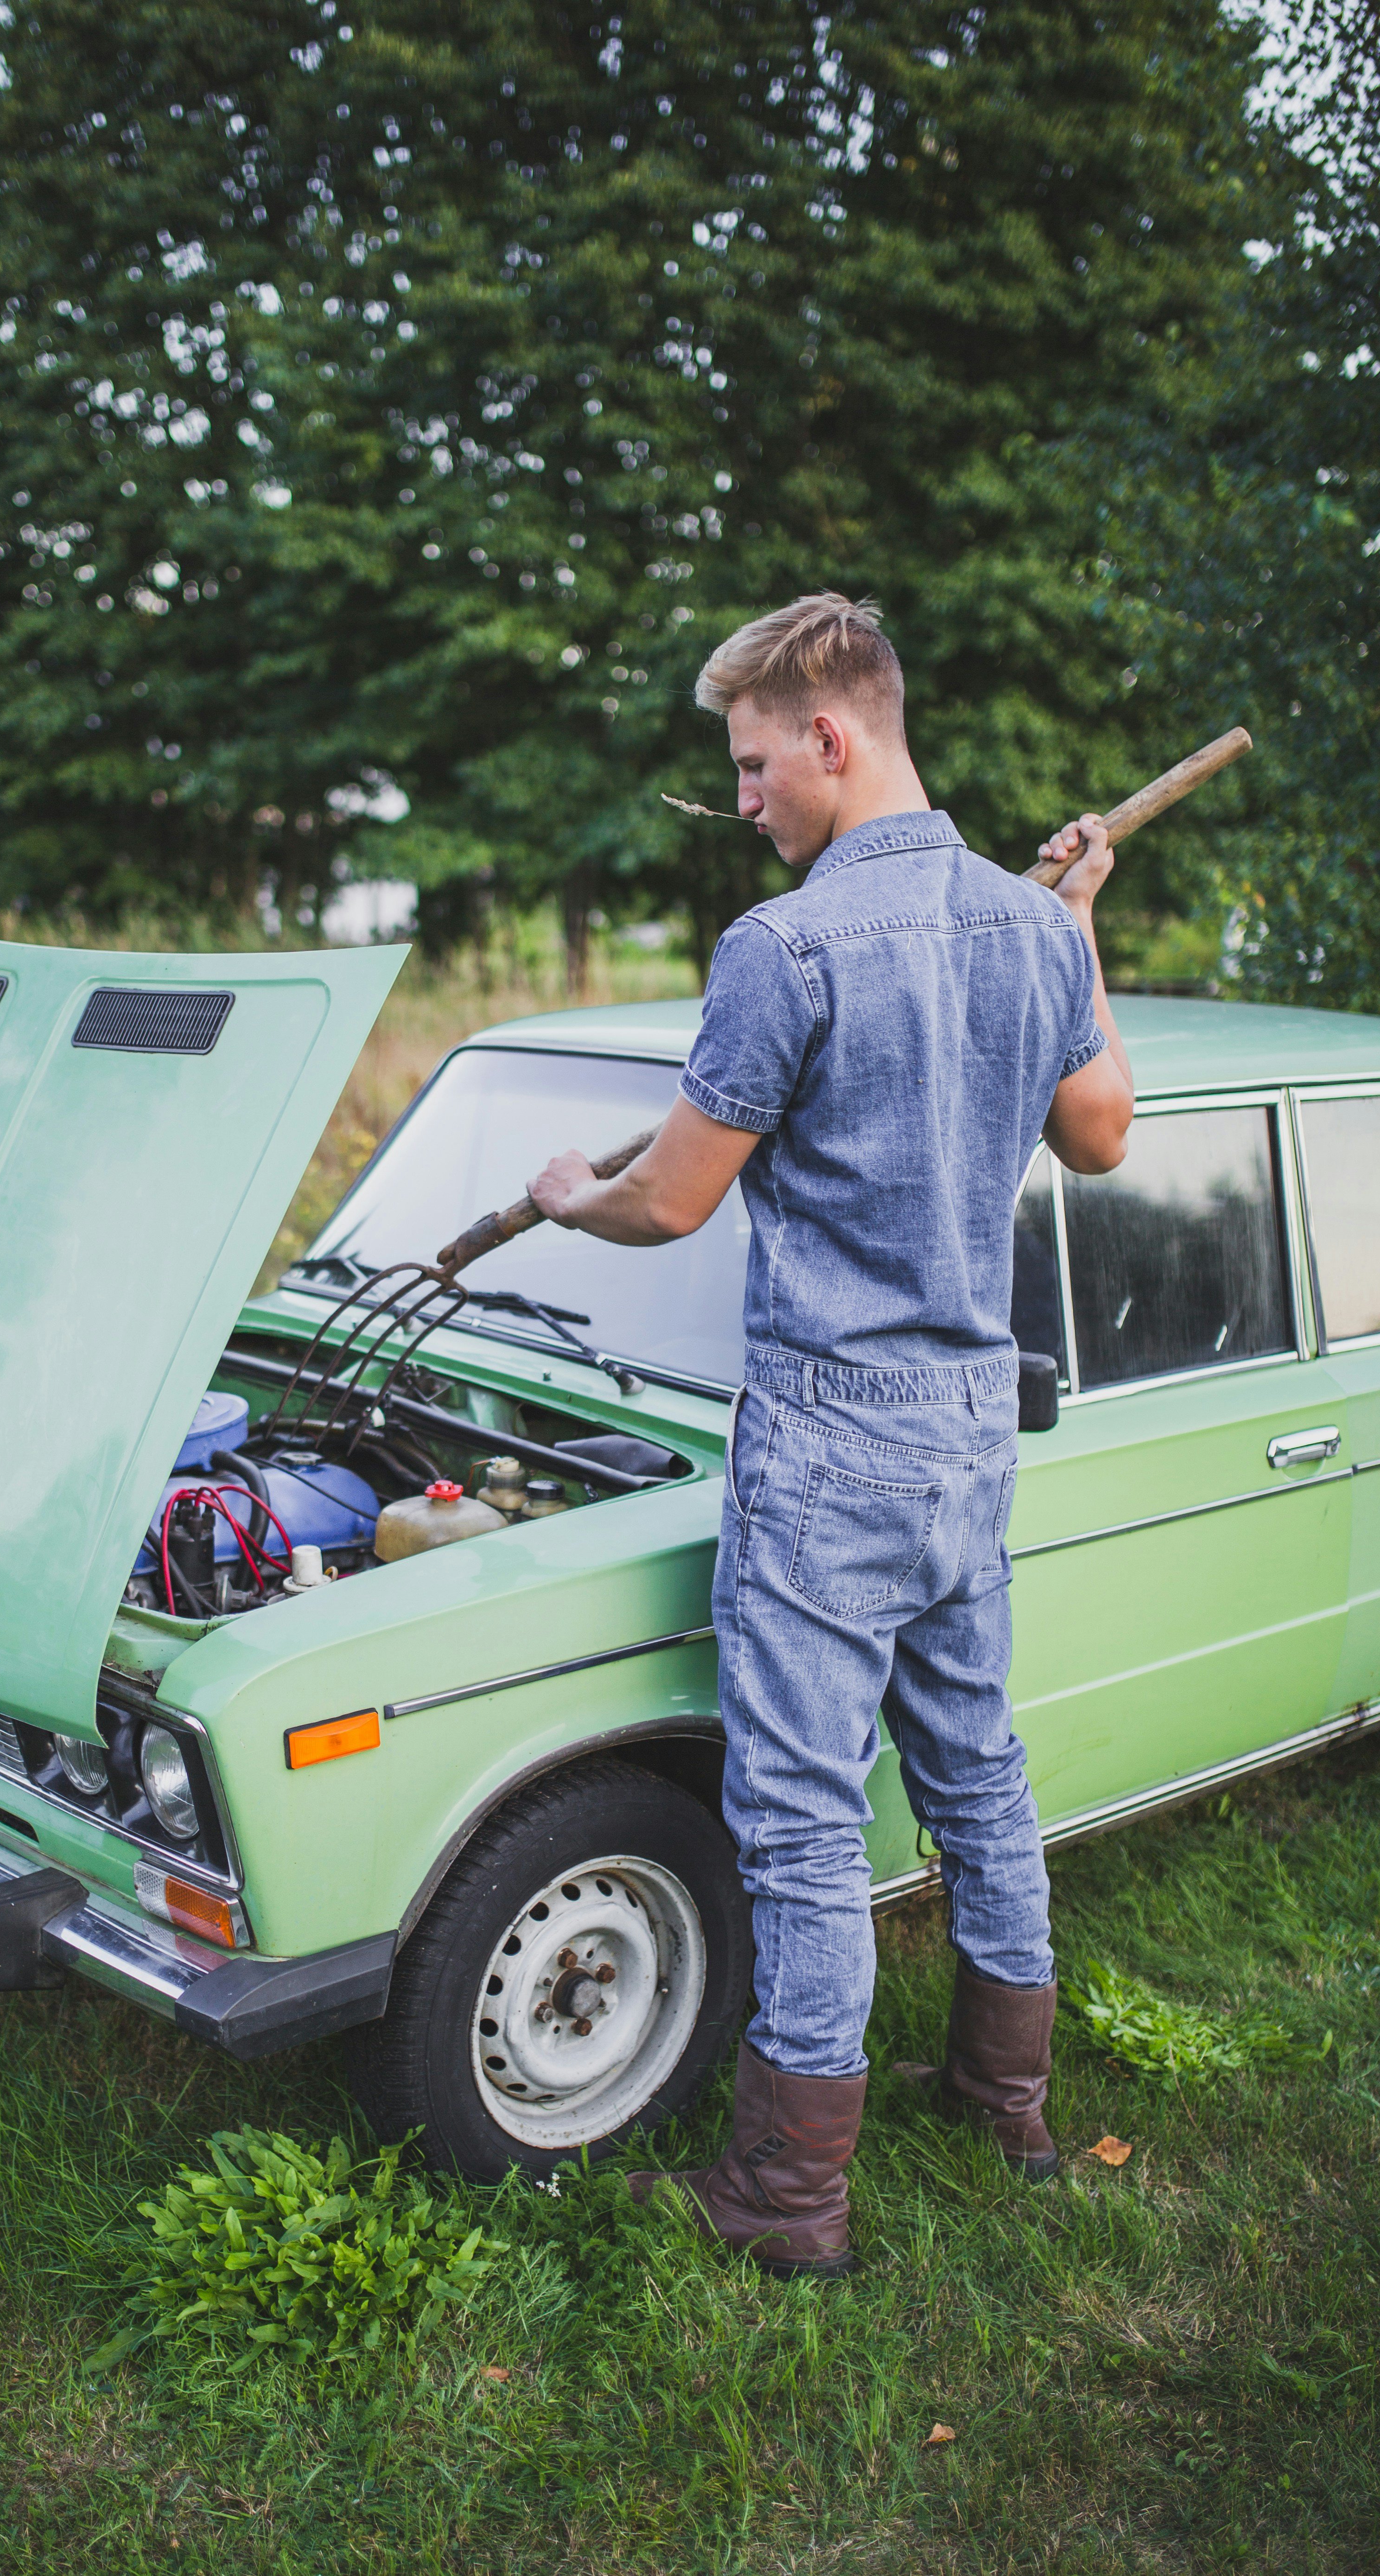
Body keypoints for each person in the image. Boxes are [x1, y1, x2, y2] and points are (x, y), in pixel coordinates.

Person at [526, 591, 1135, 2277]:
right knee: (980, 1779)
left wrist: (577, 1195)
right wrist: (1078, 925)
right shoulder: (1028, 931)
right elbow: (1102, 1134)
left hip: (827, 1450)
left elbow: (675, 1196)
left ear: (831, 737)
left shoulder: (781, 951)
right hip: (966, 1436)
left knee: (799, 1826)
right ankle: (1006, 2107)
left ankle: (788, 2199)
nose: (742, 801)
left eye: (748, 764)